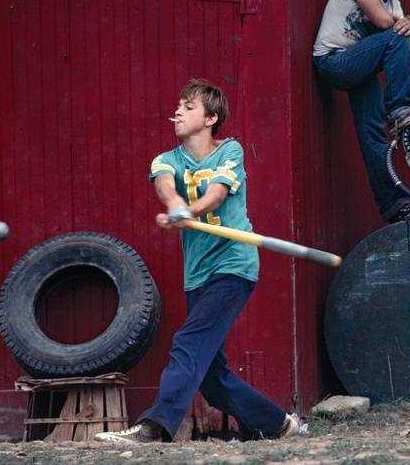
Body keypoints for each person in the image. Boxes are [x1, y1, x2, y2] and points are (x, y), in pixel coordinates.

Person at [95, 79, 299, 443]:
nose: (177, 111)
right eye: (178, 105)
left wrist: (190, 211)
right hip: (198, 275)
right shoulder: (166, 160)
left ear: (210, 118)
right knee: (211, 378)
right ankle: (277, 424)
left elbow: (218, 195)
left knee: (188, 342)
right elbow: (166, 188)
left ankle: (154, 427)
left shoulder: (230, 151)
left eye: (188, 107)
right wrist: (175, 208)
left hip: (233, 266)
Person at [312, 0, 410, 222]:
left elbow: (398, 26)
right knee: (398, 35)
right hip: (333, 61)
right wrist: (409, 22)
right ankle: (401, 109)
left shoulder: (394, 3)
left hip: (359, 72)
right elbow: (384, 22)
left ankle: (392, 205)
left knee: (374, 134)